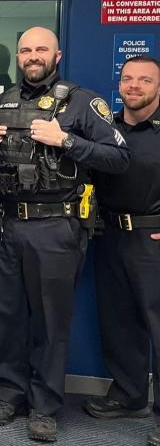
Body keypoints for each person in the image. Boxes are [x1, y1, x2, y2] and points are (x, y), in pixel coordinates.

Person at [0, 26, 130, 442]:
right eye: (25, 49)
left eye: (40, 49)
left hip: (56, 227)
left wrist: (66, 139)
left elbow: (120, 157)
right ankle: (8, 394)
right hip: (7, 224)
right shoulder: (2, 100)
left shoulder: (82, 101)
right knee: (6, 317)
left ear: (57, 54)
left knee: (50, 321)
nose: (32, 56)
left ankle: (45, 406)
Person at [85, 55, 160, 446]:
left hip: (152, 240)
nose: (133, 86)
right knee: (118, 321)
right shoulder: (106, 128)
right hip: (109, 236)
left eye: (144, 80)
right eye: (128, 79)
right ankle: (131, 396)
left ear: (157, 87)